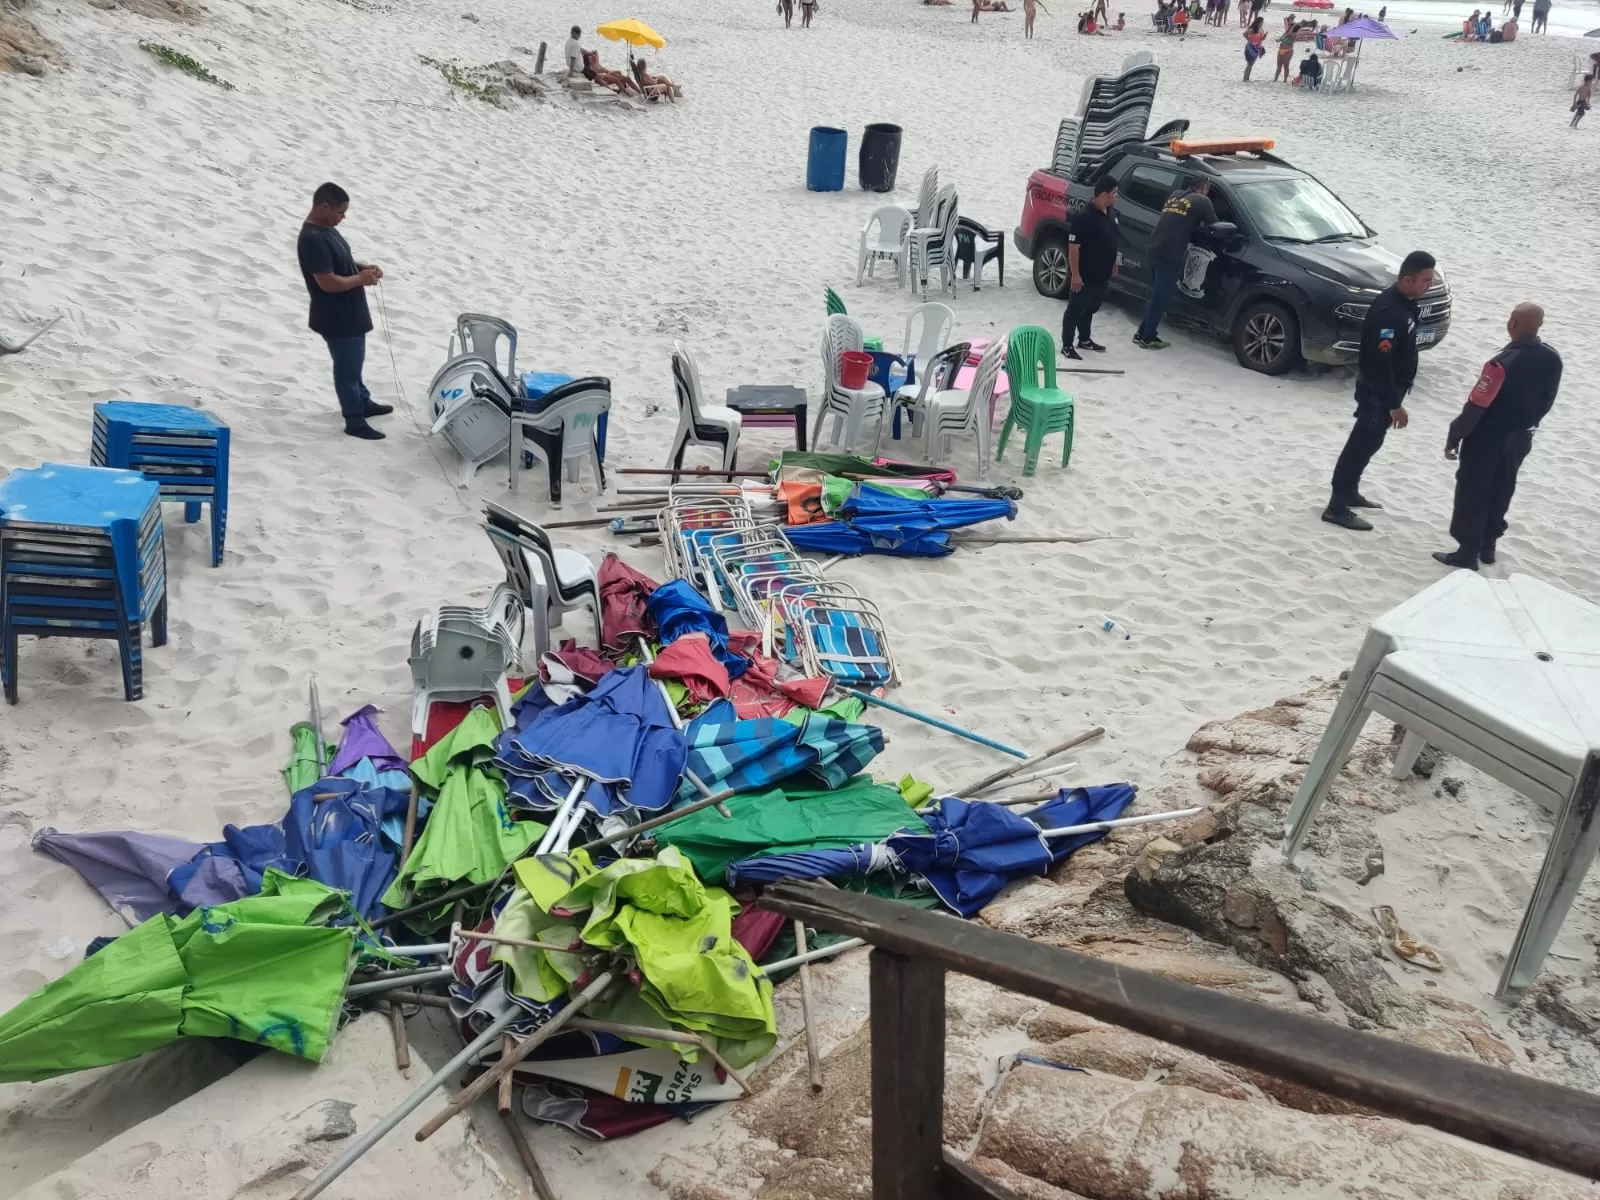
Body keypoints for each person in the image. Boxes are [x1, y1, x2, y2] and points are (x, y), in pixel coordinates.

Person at [1433, 303, 1561, 569]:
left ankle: (1467, 551)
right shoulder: (1552, 359)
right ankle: (1488, 545)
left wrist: (1455, 434)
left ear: (1512, 323)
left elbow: (1477, 405)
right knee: (1503, 487)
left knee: (1474, 489)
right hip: (1521, 436)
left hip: (1487, 437)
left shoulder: (1501, 364)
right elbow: (1548, 400)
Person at [1322, 250, 1437, 530]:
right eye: (1425, 280)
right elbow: (1379, 362)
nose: (1429, 286)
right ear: (1407, 279)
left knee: (1371, 443)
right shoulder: (1390, 312)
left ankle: (1350, 492)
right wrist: (1391, 403)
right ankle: (1336, 506)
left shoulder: (1406, 303)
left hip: (1389, 391)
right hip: (1379, 392)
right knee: (1360, 445)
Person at [296, 183, 390, 440]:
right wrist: (361, 279)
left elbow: (340, 262)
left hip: (351, 312)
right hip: (336, 317)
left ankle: (364, 403)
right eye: (339, 212)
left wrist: (363, 267)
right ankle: (354, 420)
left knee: (355, 363)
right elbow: (327, 282)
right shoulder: (312, 239)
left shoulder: (327, 229)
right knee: (347, 368)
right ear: (323, 207)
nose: (342, 217)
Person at [1133, 177, 1217, 349]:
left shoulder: (1176, 194)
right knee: (1161, 297)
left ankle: (1141, 332)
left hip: (1154, 248)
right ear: (1204, 186)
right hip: (1170, 253)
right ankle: (1148, 338)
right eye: (1208, 189)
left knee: (1156, 294)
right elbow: (1215, 226)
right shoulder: (1202, 200)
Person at [1061, 177, 1121, 359]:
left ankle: (1085, 339)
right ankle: (1067, 345)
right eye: (1114, 193)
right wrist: (1076, 275)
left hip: (1102, 274)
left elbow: (1114, 239)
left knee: (1090, 308)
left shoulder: (1110, 213)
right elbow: (1073, 247)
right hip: (1085, 273)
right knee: (1075, 310)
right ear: (1103, 194)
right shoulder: (1084, 217)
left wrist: (1115, 261)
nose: (1116, 197)